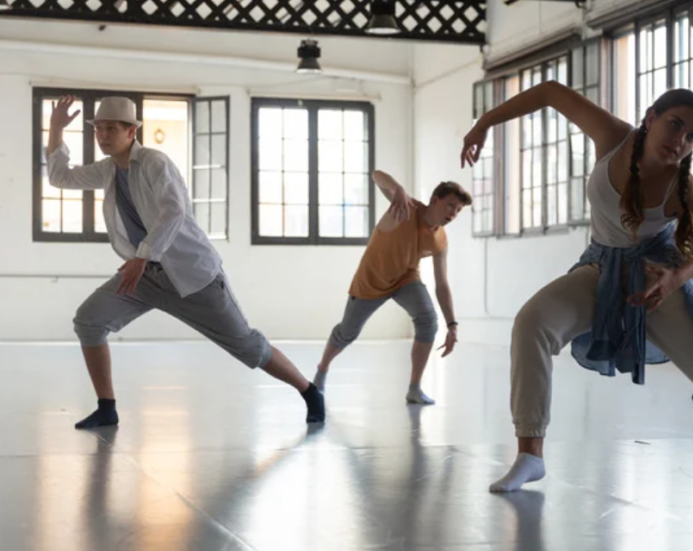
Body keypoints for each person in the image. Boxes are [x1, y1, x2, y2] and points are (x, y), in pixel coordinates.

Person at [461, 83, 693, 493]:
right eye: (674, 125)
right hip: (600, 268)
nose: (680, 141)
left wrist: (674, 280)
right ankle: (530, 454)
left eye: (692, 137)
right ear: (650, 118)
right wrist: (484, 122)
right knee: (532, 323)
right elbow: (549, 92)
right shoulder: (613, 137)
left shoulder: (681, 184)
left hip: (656, 281)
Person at [46, 95, 325, 429]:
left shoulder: (154, 163)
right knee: (89, 321)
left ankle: (309, 391)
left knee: (247, 346)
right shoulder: (107, 170)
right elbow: (60, 178)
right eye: (99, 129)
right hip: (145, 277)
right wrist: (56, 129)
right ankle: (107, 408)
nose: (103, 135)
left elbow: (174, 211)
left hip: (193, 277)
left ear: (131, 131)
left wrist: (142, 255)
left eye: (111, 129)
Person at [312, 171, 470, 405]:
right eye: (450, 206)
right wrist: (398, 189)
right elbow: (376, 175)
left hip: (406, 278)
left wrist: (452, 324)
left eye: (458, 210)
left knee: (428, 320)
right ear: (435, 199)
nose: (453, 214)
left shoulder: (440, 240)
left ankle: (414, 389)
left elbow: (442, 284)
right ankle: (320, 374)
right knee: (346, 333)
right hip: (371, 280)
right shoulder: (406, 208)